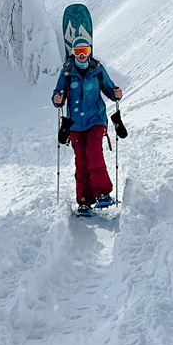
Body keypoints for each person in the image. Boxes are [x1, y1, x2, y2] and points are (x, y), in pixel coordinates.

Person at [52, 36, 123, 215]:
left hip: (95, 119)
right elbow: (58, 93)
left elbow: (109, 88)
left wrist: (116, 93)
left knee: (93, 152)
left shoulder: (97, 70)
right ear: (73, 53)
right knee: (81, 160)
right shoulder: (67, 72)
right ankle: (84, 201)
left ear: (89, 51)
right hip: (75, 123)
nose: (82, 55)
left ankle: (103, 194)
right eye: (78, 51)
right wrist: (57, 99)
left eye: (85, 51)